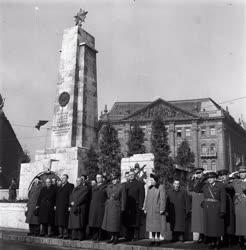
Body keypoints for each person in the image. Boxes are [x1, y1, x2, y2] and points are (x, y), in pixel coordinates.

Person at [194, 172, 226, 249]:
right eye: (208, 178)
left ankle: (218, 242)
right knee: (209, 227)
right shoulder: (205, 186)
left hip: (216, 208)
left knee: (216, 226)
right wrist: (202, 180)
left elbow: (223, 200)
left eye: (211, 178)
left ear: (215, 178)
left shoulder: (220, 186)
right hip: (208, 209)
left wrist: (223, 210)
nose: (210, 179)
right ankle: (212, 242)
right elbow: (196, 189)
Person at [102, 173, 125, 244]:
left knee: (115, 223)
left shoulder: (121, 186)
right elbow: (103, 192)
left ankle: (116, 238)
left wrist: (122, 208)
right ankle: (111, 237)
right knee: (110, 224)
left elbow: (123, 198)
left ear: (117, 179)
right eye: (112, 180)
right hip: (109, 206)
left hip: (116, 207)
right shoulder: (109, 186)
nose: (114, 181)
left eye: (115, 179)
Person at [144, 173, 166, 246]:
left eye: (152, 180)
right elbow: (147, 198)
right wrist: (145, 207)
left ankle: (158, 240)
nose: (151, 181)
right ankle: (153, 239)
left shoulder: (161, 187)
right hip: (150, 210)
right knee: (152, 226)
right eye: (150, 180)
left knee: (158, 225)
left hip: (157, 210)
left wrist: (162, 208)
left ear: (156, 180)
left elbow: (163, 199)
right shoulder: (149, 188)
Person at [124, 169, 145, 241]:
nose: (131, 176)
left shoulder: (139, 184)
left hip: (136, 206)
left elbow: (142, 196)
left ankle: (136, 237)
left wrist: (141, 206)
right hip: (128, 206)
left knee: (136, 223)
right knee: (129, 222)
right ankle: (129, 236)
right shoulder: (126, 185)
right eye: (129, 175)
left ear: (135, 175)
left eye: (132, 175)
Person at [68, 176, 90, 241]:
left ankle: (81, 237)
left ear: (82, 181)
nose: (78, 182)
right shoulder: (74, 188)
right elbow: (71, 196)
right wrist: (71, 202)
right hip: (73, 207)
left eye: (79, 181)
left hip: (80, 207)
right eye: (77, 181)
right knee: (73, 223)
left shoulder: (85, 188)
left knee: (80, 223)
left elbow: (82, 198)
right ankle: (74, 236)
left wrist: (75, 203)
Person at [217, 169, 235, 247]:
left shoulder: (230, 183)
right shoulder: (219, 183)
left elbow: (230, 188)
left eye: (224, 175)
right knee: (221, 222)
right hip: (221, 204)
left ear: (227, 175)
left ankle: (231, 239)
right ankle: (223, 238)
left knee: (230, 221)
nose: (222, 177)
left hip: (229, 204)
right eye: (221, 176)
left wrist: (220, 183)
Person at [229, 165, 246, 248]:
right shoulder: (235, 182)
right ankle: (241, 240)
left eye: (244, 172)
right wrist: (231, 176)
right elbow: (226, 185)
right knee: (239, 223)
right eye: (240, 173)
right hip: (238, 205)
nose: (242, 174)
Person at [88, 173, 107, 241]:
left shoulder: (105, 186)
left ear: (102, 178)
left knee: (100, 222)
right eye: (97, 177)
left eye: (99, 177)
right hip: (93, 206)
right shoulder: (93, 186)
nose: (98, 179)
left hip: (101, 206)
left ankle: (100, 236)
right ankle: (94, 236)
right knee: (93, 222)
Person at [55, 174, 74, 239]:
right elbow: (57, 197)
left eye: (64, 178)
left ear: (67, 179)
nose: (62, 179)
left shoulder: (70, 186)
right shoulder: (59, 186)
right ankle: (60, 233)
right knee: (59, 220)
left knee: (65, 220)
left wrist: (70, 205)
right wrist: (55, 205)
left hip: (65, 206)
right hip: (59, 206)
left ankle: (65, 234)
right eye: (62, 178)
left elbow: (71, 196)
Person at [188, 168, 205, 243]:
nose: (198, 174)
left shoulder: (205, 180)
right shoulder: (194, 181)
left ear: (202, 173)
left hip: (202, 199)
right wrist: (191, 181)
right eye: (197, 173)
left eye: (200, 173)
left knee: (203, 218)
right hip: (196, 201)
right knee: (198, 219)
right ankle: (201, 236)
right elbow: (189, 190)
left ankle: (204, 236)